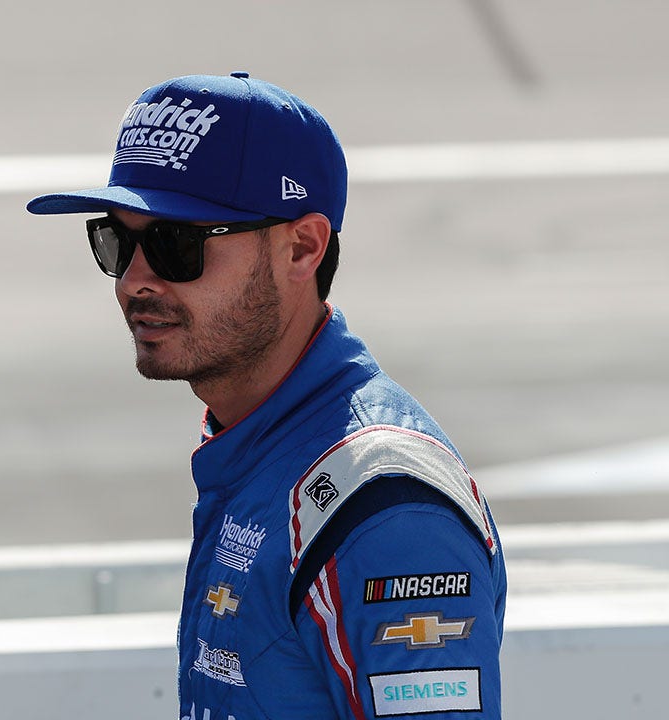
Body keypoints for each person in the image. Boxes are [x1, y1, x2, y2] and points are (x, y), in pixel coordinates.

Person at [27, 72, 506, 719]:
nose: (134, 279)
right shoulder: (256, 440)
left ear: (302, 248)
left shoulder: (387, 512)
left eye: (176, 245)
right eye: (115, 240)